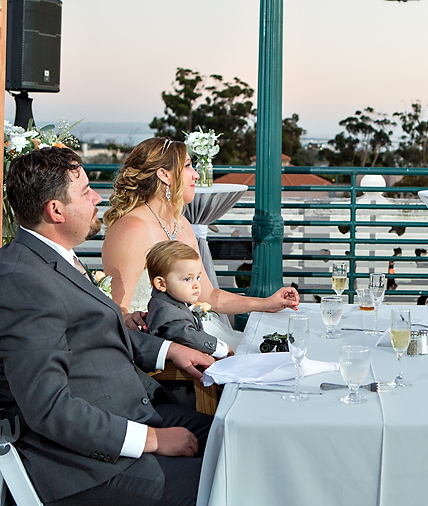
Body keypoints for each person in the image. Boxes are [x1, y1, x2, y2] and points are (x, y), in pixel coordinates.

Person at [0, 147, 215, 506]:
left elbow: (95, 329)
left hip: (130, 411)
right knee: (236, 483)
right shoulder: (19, 283)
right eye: (85, 191)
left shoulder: (51, 256)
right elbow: (49, 409)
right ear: (55, 210)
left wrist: (169, 352)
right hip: (87, 466)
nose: (97, 196)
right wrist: (153, 440)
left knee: (242, 437)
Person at [101, 137, 299, 348]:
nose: (195, 174)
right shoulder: (132, 228)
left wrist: (266, 303)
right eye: (187, 166)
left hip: (193, 330)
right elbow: (116, 311)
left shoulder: (183, 224)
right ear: (164, 175)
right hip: (155, 339)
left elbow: (208, 296)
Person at [145, 240, 232, 359]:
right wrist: (220, 348)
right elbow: (187, 336)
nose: (196, 285)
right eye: (187, 279)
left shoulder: (171, 302)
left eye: (198, 277)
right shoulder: (166, 312)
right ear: (161, 284)